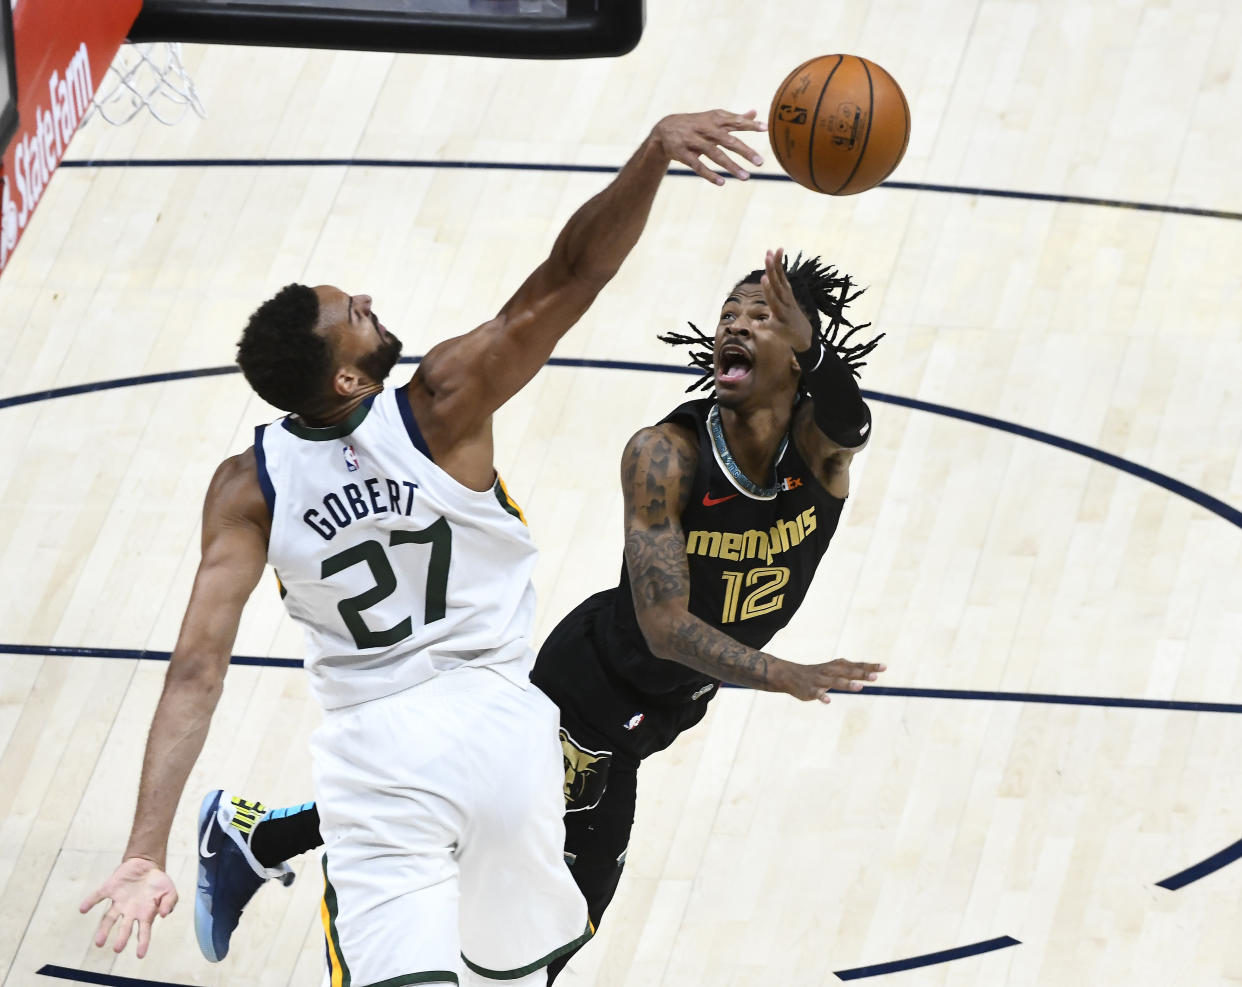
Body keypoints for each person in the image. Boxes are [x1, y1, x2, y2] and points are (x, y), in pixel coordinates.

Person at [79, 108, 768, 987]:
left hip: (385, 751)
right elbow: (573, 274)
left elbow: (195, 671)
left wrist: (146, 848)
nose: (367, 300)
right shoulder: (444, 402)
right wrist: (652, 154)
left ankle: (246, 839)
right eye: (353, 315)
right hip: (501, 733)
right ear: (347, 377)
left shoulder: (247, 487)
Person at [190, 247, 889, 980]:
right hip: (593, 693)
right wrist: (783, 672)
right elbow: (664, 626)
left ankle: (258, 838)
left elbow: (852, 419)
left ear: (801, 350)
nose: (737, 324)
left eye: (764, 315)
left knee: (492, 864)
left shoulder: (817, 451)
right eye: (729, 312)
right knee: (558, 922)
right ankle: (263, 841)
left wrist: (821, 351)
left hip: (664, 703)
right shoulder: (667, 453)